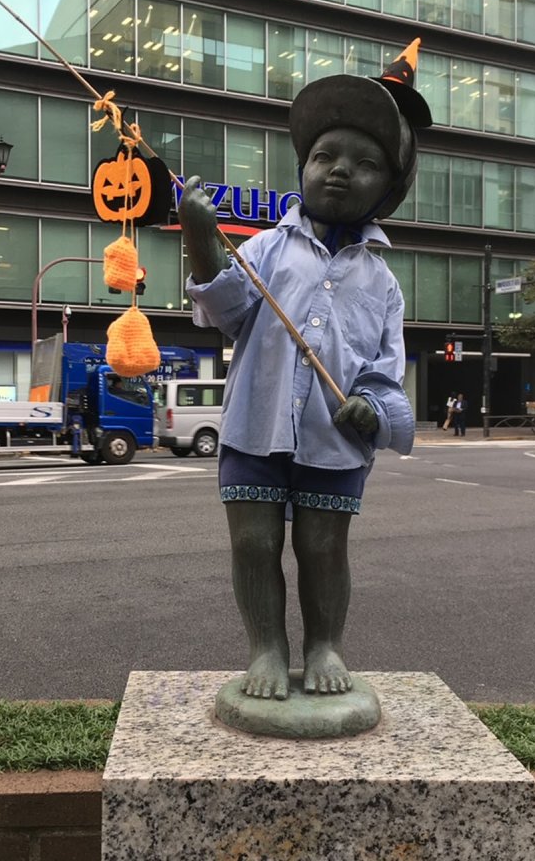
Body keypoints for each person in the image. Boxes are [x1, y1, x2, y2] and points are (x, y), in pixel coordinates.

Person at [179, 40, 431, 701]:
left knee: (323, 549)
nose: (339, 171)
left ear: (390, 187)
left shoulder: (381, 281)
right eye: (324, 156)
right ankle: (266, 648)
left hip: (334, 439)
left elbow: (385, 367)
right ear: (302, 167)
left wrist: (373, 409)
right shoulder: (265, 247)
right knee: (254, 544)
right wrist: (202, 241)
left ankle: (324, 644)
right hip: (253, 427)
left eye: (364, 163)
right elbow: (224, 309)